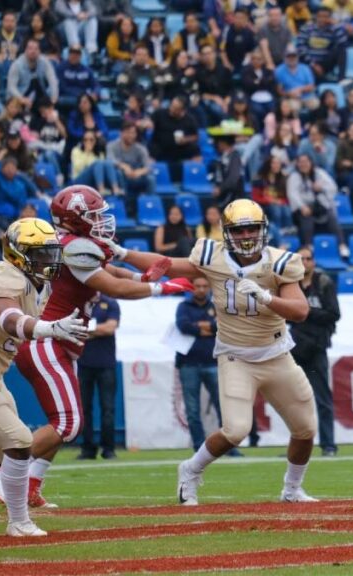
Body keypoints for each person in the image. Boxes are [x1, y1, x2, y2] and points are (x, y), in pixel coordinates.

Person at [0, 186, 192, 509]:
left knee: (67, 424)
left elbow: (116, 272)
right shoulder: (74, 246)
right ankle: (4, 473)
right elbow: (114, 287)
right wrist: (158, 289)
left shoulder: (81, 245)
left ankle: (31, 484)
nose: (103, 220)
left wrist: (149, 279)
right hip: (47, 339)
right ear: (74, 219)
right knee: (68, 422)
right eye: (94, 215)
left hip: (62, 342)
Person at [118, 199, 321, 506]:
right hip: (235, 356)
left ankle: (292, 489)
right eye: (239, 230)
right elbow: (165, 264)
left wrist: (267, 297)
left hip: (276, 354)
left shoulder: (280, 262)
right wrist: (122, 254)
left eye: (252, 228)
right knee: (236, 430)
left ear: (264, 229)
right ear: (226, 233)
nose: (247, 235)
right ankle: (190, 469)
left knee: (305, 429)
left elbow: (301, 311)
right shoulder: (212, 256)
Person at [0, 218, 87, 537]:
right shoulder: (3, 276)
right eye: (39, 253)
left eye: (50, 253)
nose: (48, 261)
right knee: (20, 440)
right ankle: (19, 521)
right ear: (17, 253)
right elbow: (10, 318)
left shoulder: (29, 282)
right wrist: (48, 329)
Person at [290, 246, 340, 456]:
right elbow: (285, 315)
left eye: (308, 258)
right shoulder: (291, 285)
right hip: (296, 347)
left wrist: (306, 312)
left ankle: (328, 444)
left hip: (317, 347)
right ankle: (297, 447)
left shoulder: (323, 283)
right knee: (293, 401)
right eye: (300, 259)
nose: (305, 262)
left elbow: (334, 314)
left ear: (314, 262)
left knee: (322, 399)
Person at [176, 277, 222, 452]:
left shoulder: (216, 305)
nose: (201, 289)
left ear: (209, 287)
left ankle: (228, 446)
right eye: (198, 286)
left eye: (205, 286)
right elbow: (183, 326)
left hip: (214, 361)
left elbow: (222, 326)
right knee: (192, 410)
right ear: (191, 288)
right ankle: (200, 447)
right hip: (189, 363)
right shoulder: (183, 306)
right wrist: (210, 327)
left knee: (223, 407)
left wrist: (201, 327)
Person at [76, 295, 120, 460]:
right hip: (83, 363)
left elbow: (110, 328)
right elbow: (72, 329)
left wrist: (87, 331)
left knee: (108, 409)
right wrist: (97, 331)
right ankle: (87, 449)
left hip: (106, 364)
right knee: (84, 409)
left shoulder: (110, 303)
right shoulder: (80, 302)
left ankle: (108, 449)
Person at [288, 153, 348, 255]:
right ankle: (308, 246)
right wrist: (302, 207)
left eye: (306, 162)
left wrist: (321, 188)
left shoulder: (319, 173)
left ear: (311, 163)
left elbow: (333, 188)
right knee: (306, 216)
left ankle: (342, 245)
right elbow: (292, 194)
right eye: (301, 162)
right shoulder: (294, 177)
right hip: (302, 208)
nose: (303, 165)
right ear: (297, 164)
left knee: (331, 215)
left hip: (319, 207)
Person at [107, 121, 155, 201]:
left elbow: (148, 166)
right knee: (119, 173)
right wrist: (123, 166)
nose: (131, 136)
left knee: (151, 179)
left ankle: (150, 204)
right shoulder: (111, 145)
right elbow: (110, 160)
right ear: (121, 133)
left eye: (133, 133)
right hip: (120, 177)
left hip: (136, 176)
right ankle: (124, 204)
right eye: (128, 132)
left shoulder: (140, 148)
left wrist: (139, 172)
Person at [296, 7, 347, 82]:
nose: (322, 19)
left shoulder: (333, 29)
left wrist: (337, 26)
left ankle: (341, 79)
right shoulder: (306, 28)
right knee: (301, 56)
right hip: (309, 62)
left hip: (325, 62)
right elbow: (300, 48)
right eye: (320, 16)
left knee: (341, 50)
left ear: (330, 18)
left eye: (325, 17)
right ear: (316, 17)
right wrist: (313, 64)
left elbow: (343, 43)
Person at [7, 39, 59, 109]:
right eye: (30, 48)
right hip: (20, 96)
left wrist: (54, 97)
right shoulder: (17, 65)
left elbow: (53, 80)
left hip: (39, 95)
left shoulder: (45, 62)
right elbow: (11, 87)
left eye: (36, 49)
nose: (33, 51)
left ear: (40, 51)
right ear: (25, 50)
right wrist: (22, 99)